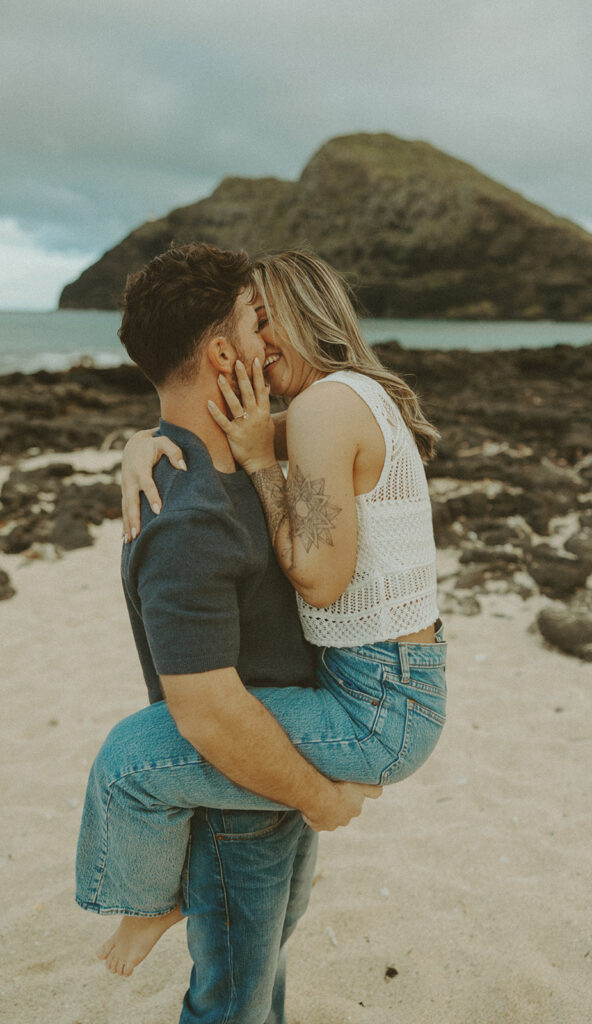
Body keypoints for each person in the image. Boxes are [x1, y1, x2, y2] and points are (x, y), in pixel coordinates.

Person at [77, 247, 447, 1017]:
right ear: (223, 352)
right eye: (256, 321)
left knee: (248, 977)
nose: (267, 337)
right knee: (240, 987)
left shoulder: (311, 417)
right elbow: (210, 713)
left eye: (270, 316)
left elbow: (312, 564)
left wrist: (223, 452)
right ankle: (151, 898)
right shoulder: (203, 509)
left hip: (353, 707)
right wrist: (140, 441)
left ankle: (151, 899)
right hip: (288, 746)